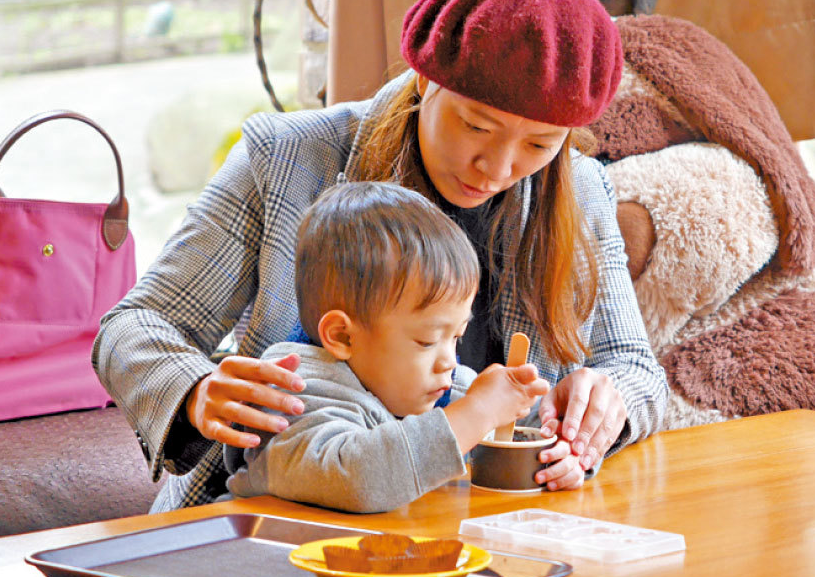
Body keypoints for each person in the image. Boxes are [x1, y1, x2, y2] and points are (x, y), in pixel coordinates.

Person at [94, 0, 668, 511]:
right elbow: (134, 327)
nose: (496, 167)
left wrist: (602, 408)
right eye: (475, 126)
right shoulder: (289, 158)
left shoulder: (581, 191)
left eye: (540, 145)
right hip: (275, 522)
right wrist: (196, 391)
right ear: (424, 78)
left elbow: (634, 369)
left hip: (484, 519)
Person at [221, 181, 562, 512]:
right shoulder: (293, 391)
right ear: (342, 336)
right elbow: (357, 479)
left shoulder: (443, 386)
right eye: (427, 341)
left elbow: (524, 423)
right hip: (277, 563)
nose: (449, 362)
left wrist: (559, 442)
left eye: (456, 337)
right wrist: (478, 411)